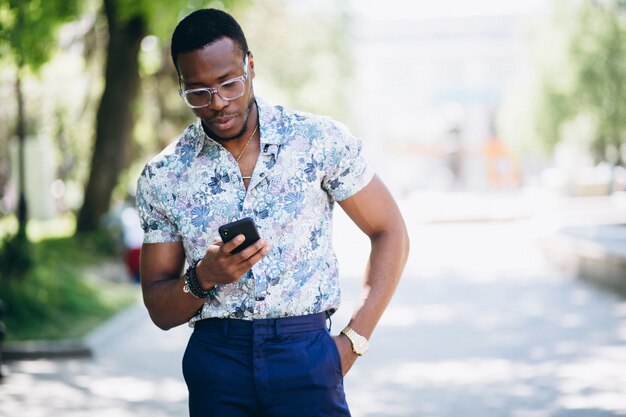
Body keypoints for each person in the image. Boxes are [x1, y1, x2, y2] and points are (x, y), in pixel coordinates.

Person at [136, 8, 409, 417]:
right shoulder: (163, 175)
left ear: (250, 65)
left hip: (306, 355)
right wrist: (203, 277)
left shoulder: (319, 141)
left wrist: (353, 342)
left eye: (229, 83)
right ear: (181, 85)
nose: (218, 103)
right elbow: (159, 309)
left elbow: (391, 231)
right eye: (198, 92)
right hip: (217, 363)